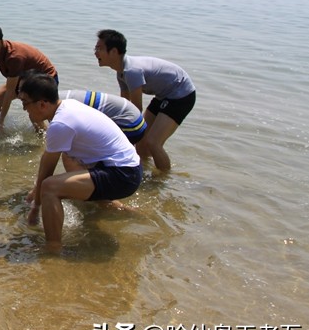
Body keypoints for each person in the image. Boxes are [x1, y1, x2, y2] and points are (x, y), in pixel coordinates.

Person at [20, 74, 142, 251]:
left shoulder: (60, 124)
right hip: (128, 168)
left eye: (25, 103)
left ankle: (52, 249)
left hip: (123, 175)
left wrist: (36, 206)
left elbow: (47, 168)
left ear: (42, 104)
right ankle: (121, 210)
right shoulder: (68, 105)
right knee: (68, 157)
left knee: (50, 187)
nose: (24, 109)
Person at [94, 29, 196, 172]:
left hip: (181, 94)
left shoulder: (131, 71)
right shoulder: (121, 72)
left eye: (99, 49)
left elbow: (135, 109)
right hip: (164, 95)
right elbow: (125, 106)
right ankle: (145, 171)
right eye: (95, 48)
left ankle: (163, 179)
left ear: (114, 52)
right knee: (141, 140)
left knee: (153, 142)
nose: (95, 53)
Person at [0, 23, 57, 131]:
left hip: (44, 80)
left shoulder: (14, 57)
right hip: (22, 80)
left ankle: (44, 138)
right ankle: (6, 130)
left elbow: (10, 91)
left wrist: (1, 122)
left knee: (34, 115)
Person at [62, 90, 147, 144]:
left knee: (73, 155)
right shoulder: (59, 98)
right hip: (136, 119)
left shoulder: (62, 110)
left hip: (131, 126)